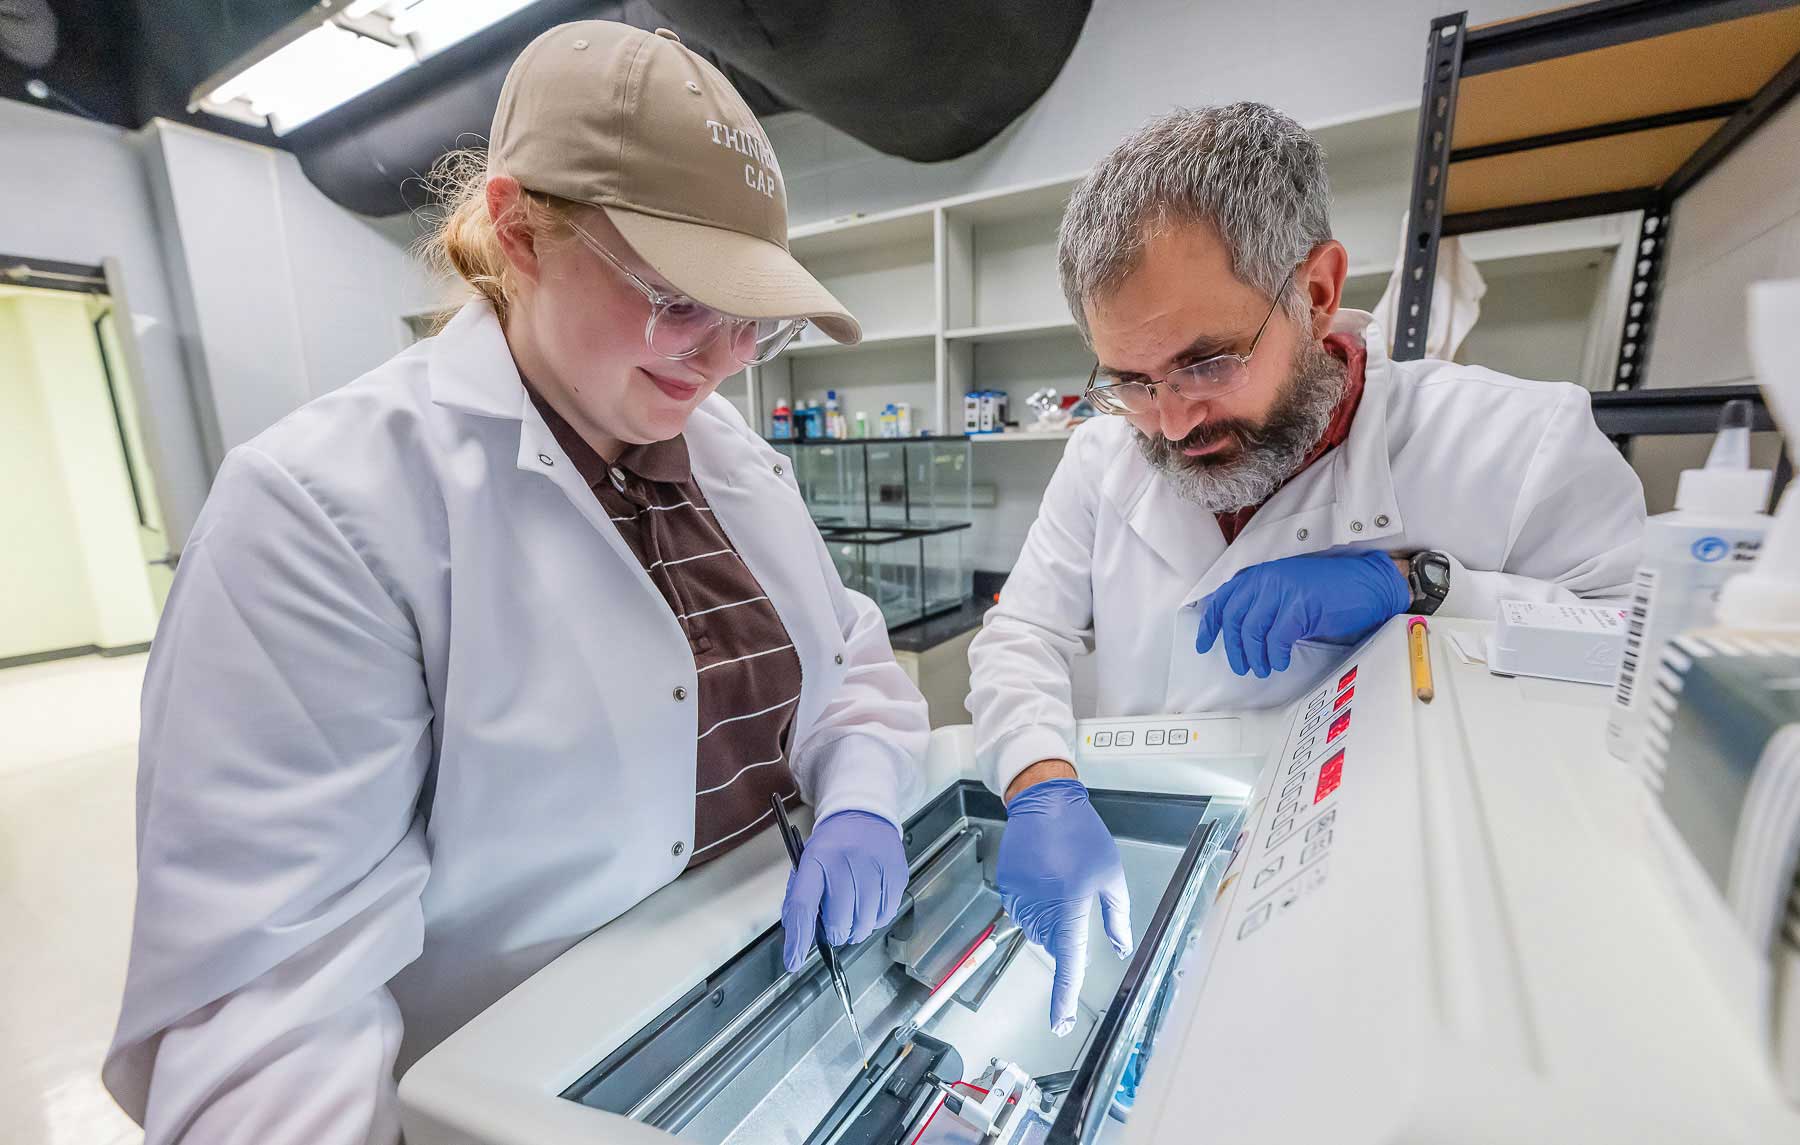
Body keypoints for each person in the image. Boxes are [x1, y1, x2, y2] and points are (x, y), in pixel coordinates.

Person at [103, 21, 927, 1143]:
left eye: (750, 321)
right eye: (679, 297)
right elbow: (267, 1018)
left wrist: (864, 791)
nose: (719, 356)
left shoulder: (736, 461)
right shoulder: (324, 511)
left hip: (761, 1036)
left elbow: (853, 664)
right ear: (518, 229)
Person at [974, 103, 1645, 1034]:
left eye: (1205, 361)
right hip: (1154, 867)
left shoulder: (1513, 444)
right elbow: (1023, 632)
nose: (1169, 422)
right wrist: (1039, 779)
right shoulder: (1101, 459)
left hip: (1386, 906)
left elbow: (1641, 647)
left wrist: (1419, 590)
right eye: (1130, 379)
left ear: (1318, 292)